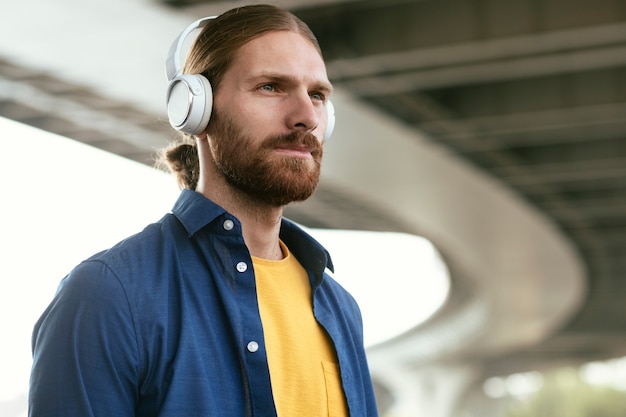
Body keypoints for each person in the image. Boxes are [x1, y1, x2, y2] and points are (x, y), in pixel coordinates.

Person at [28, 4, 379, 417]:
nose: (305, 116)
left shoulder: (340, 308)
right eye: (270, 86)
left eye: (317, 95)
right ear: (196, 108)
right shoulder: (109, 295)